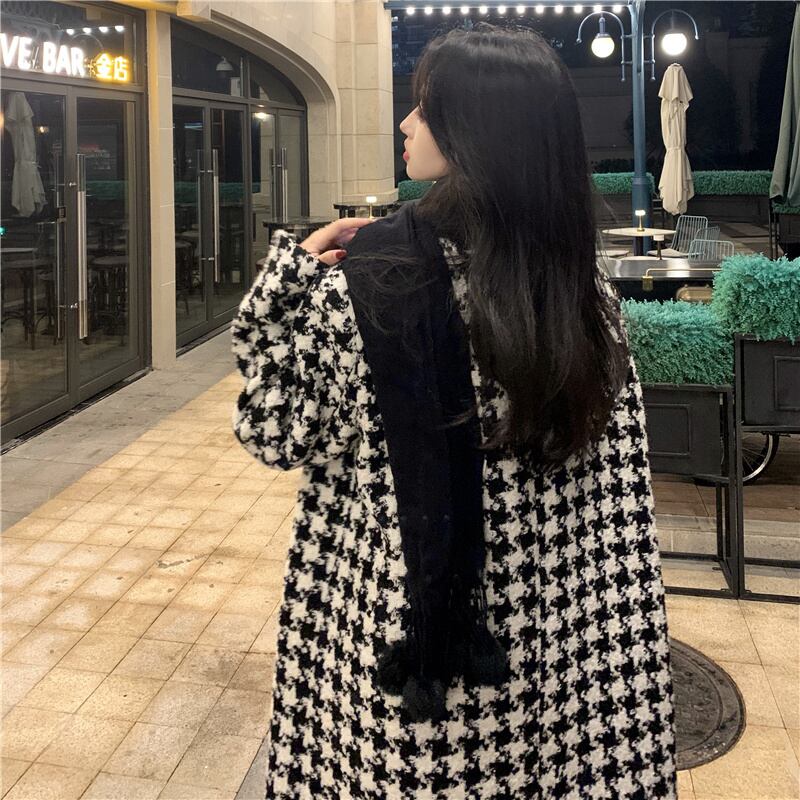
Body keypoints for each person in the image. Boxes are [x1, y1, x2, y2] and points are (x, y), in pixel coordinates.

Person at [232, 24, 677, 800]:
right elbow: (619, 504)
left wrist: (286, 281)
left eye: (426, 108)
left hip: (407, 660)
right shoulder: (584, 297)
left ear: (476, 132)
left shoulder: (369, 285)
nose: (406, 123)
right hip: (556, 663)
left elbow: (273, 432)